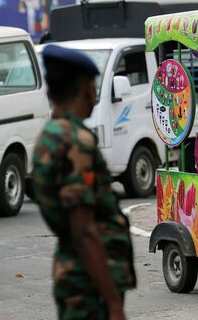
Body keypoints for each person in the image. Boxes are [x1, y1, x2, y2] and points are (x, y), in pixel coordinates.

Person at [32, 45, 136, 320]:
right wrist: (113, 304)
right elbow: (83, 230)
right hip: (90, 284)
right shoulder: (75, 141)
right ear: (87, 88)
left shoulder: (51, 135)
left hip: (77, 275)